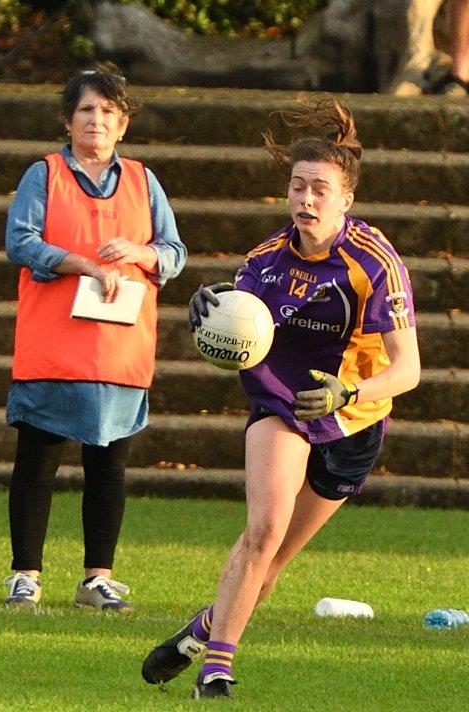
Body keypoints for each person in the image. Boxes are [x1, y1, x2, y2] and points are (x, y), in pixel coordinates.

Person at [140, 95, 421, 699]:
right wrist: (206, 316)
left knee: (267, 569)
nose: (306, 199)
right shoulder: (263, 261)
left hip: (354, 423)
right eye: (298, 186)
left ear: (346, 199)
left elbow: (409, 371)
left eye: (320, 188)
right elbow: (238, 330)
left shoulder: (374, 262)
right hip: (284, 408)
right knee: (263, 529)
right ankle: (217, 671)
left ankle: (200, 633)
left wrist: (349, 391)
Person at [1, 63, 187, 613]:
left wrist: (141, 253)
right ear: (68, 119)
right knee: (37, 460)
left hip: (119, 348)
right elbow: (20, 241)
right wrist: (81, 263)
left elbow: (174, 253)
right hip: (53, 344)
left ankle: (97, 577)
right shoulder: (45, 175)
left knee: (109, 463)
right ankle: (26, 575)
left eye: (108, 111)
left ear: (123, 123)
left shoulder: (143, 181)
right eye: (86, 110)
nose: (97, 121)